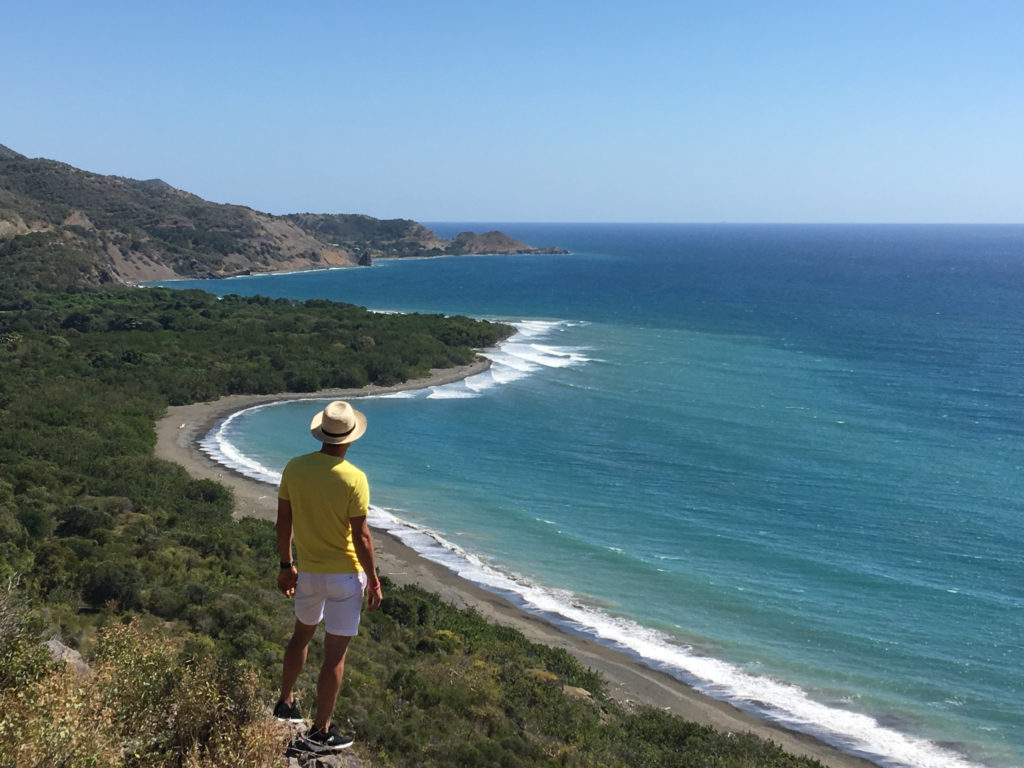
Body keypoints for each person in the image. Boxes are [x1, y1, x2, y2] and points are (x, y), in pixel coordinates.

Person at [273, 400, 383, 753]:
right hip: (344, 577)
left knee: (300, 637)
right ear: (350, 438)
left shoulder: (295, 468)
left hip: (307, 572)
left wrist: (286, 566)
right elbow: (362, 536)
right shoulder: (354, 478)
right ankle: (320, 733)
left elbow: (283, 523)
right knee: (334, 655)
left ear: (321, 432)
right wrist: (375, 581)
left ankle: (286, 704)